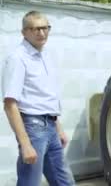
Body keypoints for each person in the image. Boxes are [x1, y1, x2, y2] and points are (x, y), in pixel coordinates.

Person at [2, 11, 74, 186]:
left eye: (45, 28)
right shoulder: (18, 59)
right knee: (30, 183)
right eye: (35, 29)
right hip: (33, 130)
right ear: (24, 32)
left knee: (65, 182)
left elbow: (45, 97)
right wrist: (26, 144)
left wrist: (58, 128)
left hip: (50, 127)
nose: (41, 33)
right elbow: (10, 104)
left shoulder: (44, 56)